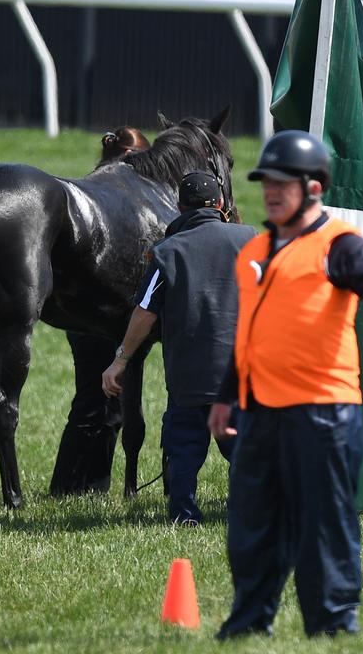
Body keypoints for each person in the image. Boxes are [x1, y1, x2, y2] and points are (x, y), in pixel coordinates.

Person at [209, 130, 363, 637]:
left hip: (324, 414)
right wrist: (225, 397)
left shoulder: (339, 246)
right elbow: (250, 333)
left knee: (325, 528)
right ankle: (249, 622)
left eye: (285, 182)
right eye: (266, 182)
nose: (272, 191)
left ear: (315, 187)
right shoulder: (253, 252)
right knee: (252, 526)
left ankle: (333, 623)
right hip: (260, 412)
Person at [101, 171, 257, 523]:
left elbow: (144, 313)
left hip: (189, 378)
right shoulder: (251, 240)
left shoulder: (168, 252)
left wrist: (120, 360)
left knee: (184, 449)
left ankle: (184, 513)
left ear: (179, 207)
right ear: (220, 205)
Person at [50, 127, 151, 497]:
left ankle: (70, 485)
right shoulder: (123, 194)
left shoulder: (96, 185)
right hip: (107, 315)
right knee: (105, 402)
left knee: (88, 398)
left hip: (77, 312)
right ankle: (88, 486)